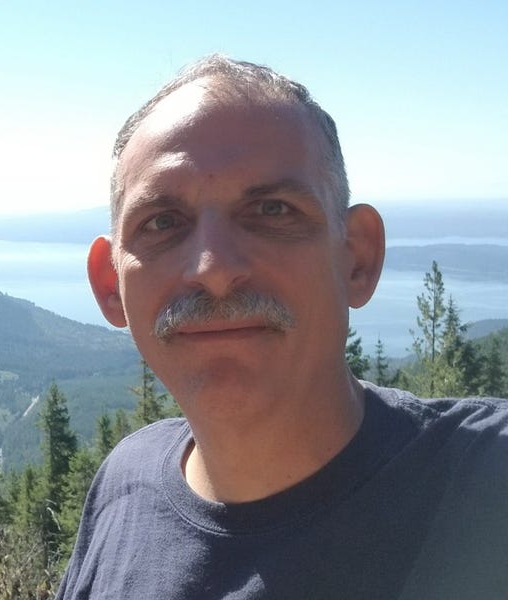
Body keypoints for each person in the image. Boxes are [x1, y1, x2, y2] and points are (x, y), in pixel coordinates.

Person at [56, 55, 508, 599]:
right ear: (111, 286)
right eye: (162, 223)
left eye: (272, 211)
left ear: (357, 259)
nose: (214, 269)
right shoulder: (123, 486)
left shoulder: (486, 483)